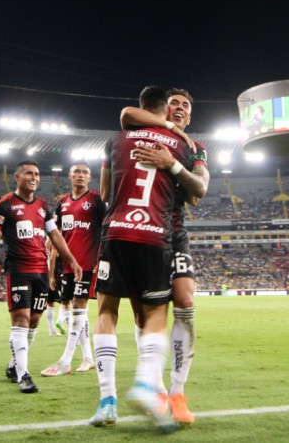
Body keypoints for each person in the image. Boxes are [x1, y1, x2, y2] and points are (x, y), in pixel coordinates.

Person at [89, 85, 191, 432]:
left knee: (106, 311)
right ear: (165, 111)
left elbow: (104, 193)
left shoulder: (114, 141)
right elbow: (194, 194)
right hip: (153, 234)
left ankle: (107, 401)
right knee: (153, 316)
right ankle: (148, 385)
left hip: (114, 232)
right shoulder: (178, 145)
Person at [119, 88, 209, 426]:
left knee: (185, 302)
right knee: (145, 316)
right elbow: (127, 114)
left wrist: (171, 164)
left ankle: (178, 392)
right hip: (139, 233)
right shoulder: (141, 133)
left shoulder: (193, 148)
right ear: (163, 110)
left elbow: (198, 191)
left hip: (173, 232)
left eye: (187, 105)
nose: (181, 108)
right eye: (175, 103)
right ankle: (155, 389)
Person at [0, 159, 82, 394]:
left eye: (36, 174)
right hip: (18, 271)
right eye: (28, 173)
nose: (34, 177)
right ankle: (23, 375)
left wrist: (73, 261)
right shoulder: (4, 205)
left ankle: (14, 364)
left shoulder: (42, 206)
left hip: (41, 272)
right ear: (17, 177)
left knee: (34, 322)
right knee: (21, 320)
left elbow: (56, 236)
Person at [40, 162, 107, 377]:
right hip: (68, 265)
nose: (80, 175)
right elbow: (58, 232)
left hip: (88, 263)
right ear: (69, 176)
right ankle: (88, 357)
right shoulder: (62, 203)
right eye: (77, 172)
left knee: (79, 305)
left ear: (89, 177)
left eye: (85, 172)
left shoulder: (96, 200)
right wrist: (47, 246)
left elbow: (107, 229)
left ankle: (66, 360)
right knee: (72, 310)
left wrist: (102, 258)